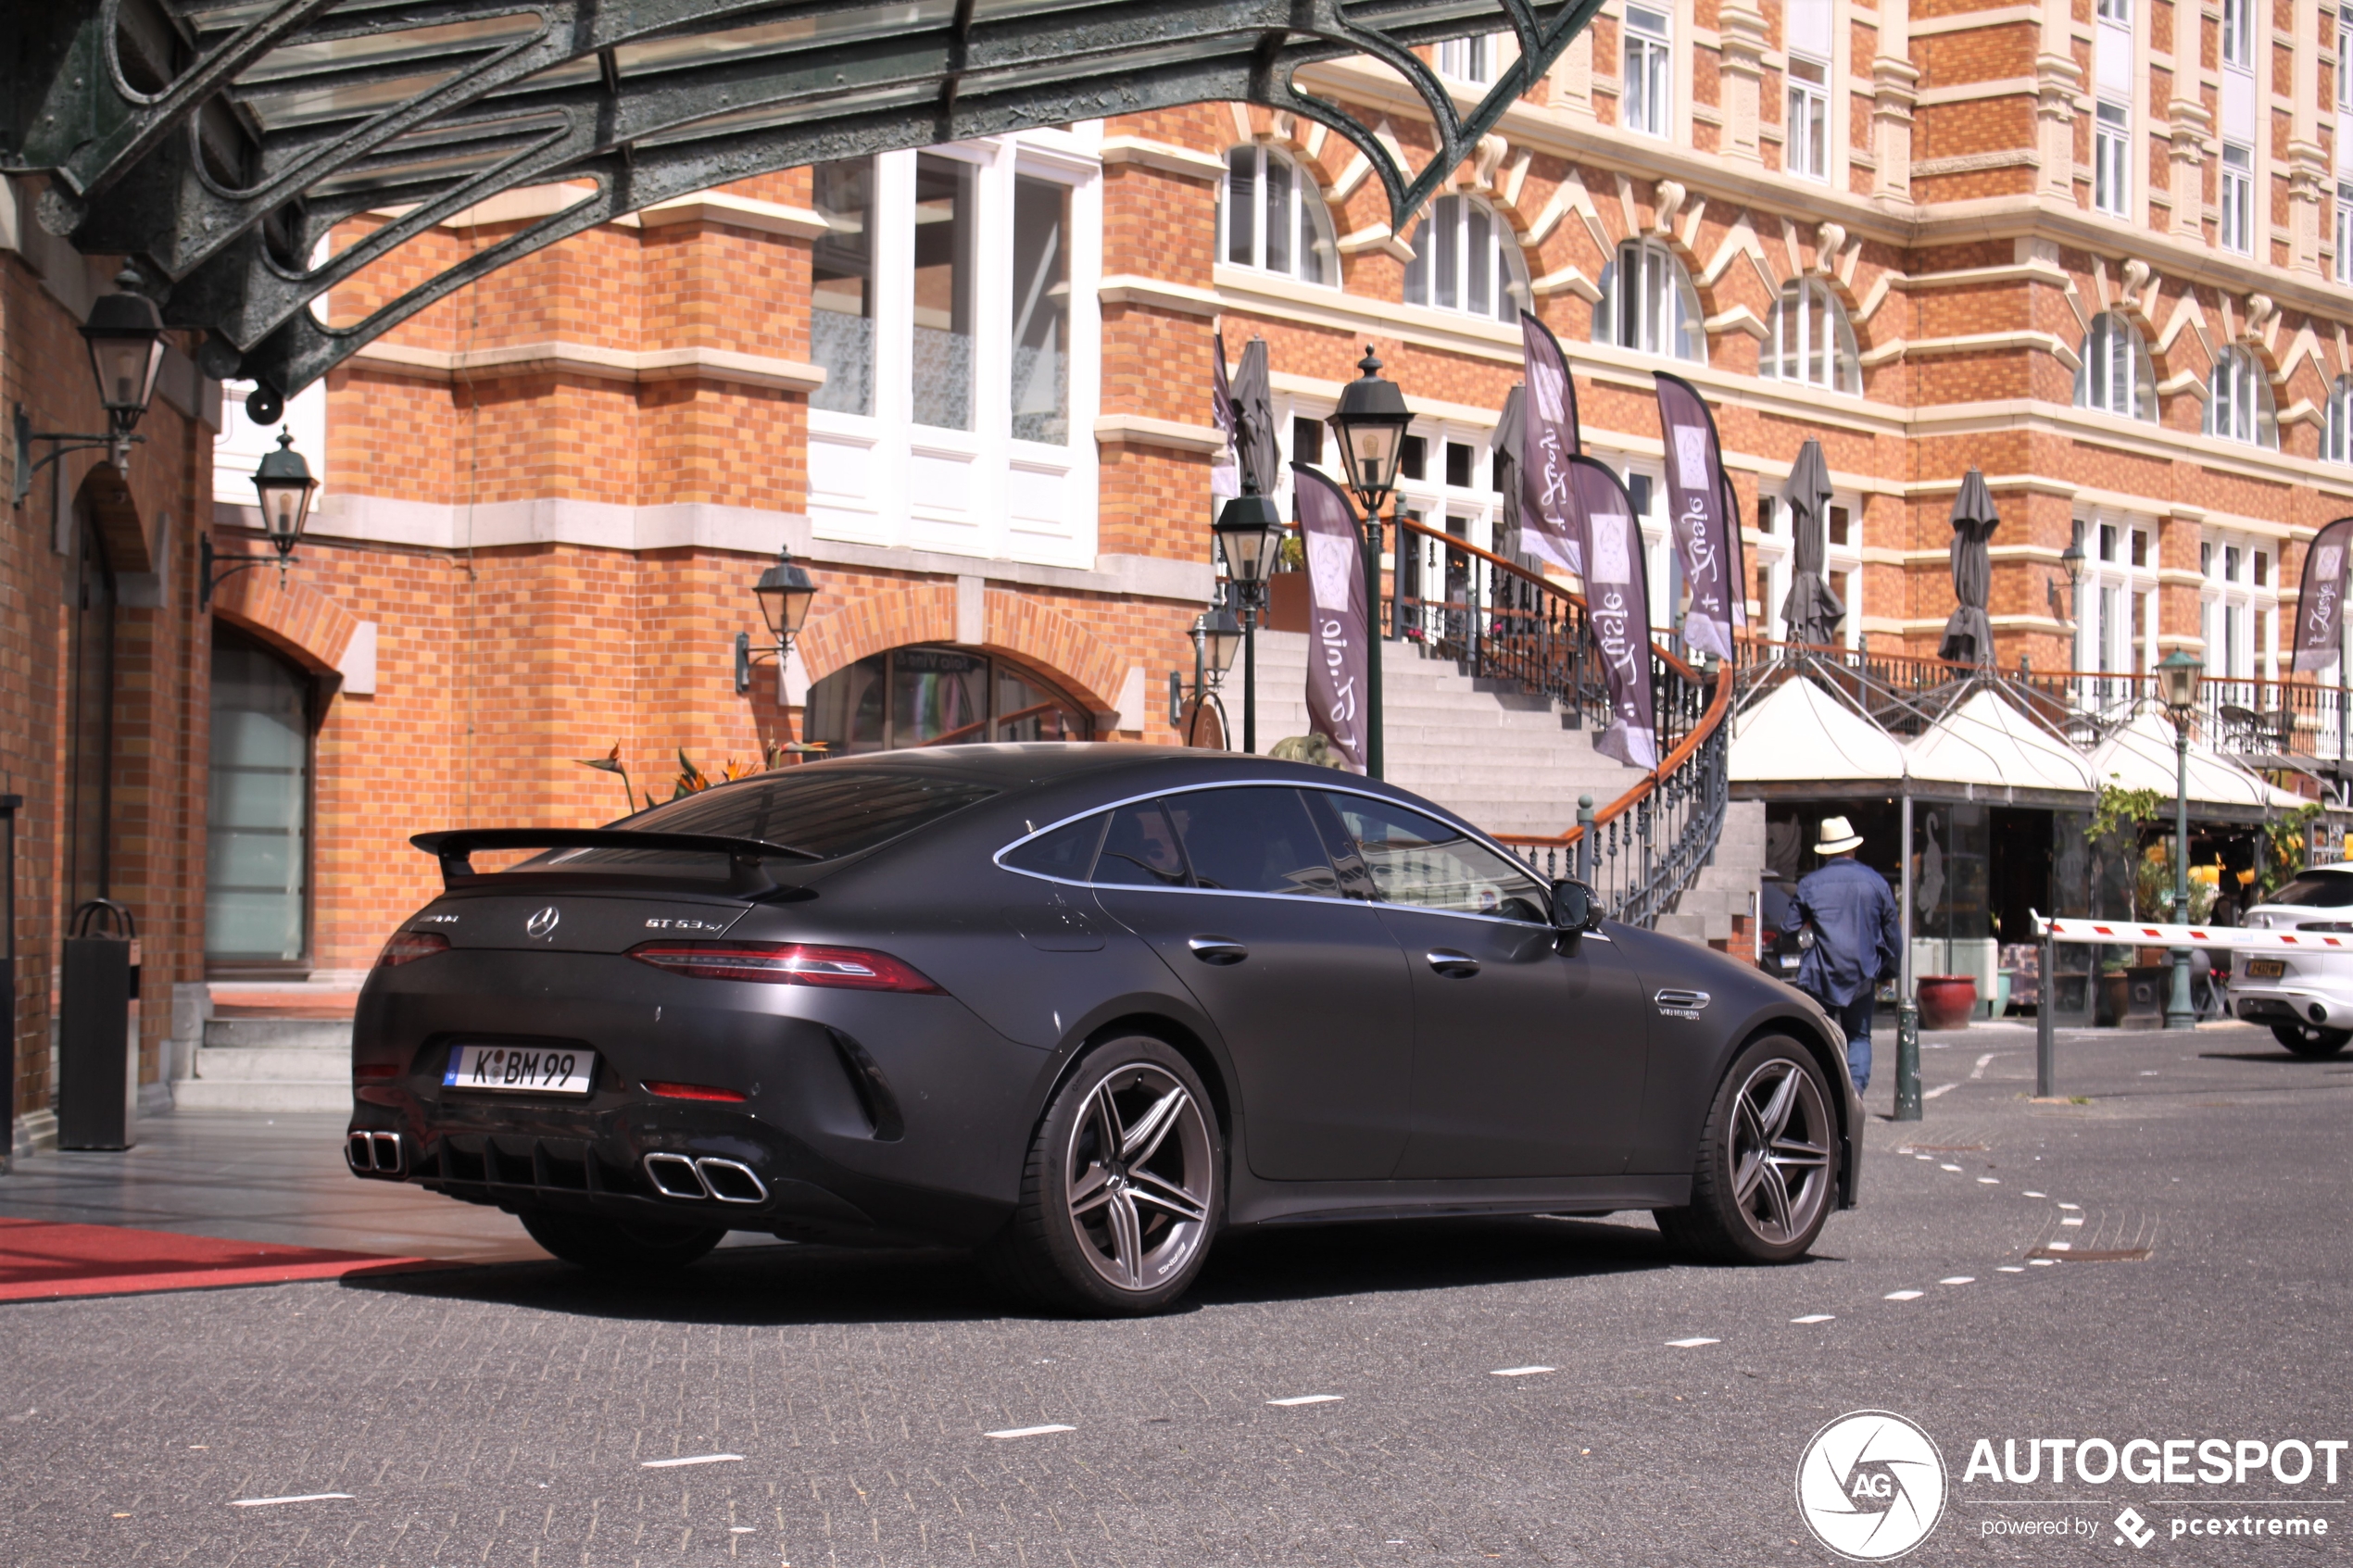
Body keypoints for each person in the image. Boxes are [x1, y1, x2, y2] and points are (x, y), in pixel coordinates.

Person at [1780, 815, 1901, 1092]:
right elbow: (1893, 935)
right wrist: (1888, 970)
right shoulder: (1875, 882)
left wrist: (1806, 938)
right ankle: (1855, 1093)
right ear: (1853, 849)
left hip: (1820, 975)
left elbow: (1789, 928)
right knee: (1858, 1037)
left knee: (1817, 1036)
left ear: (1825, 854)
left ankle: (1817, 1094)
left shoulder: (1810, 884)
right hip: (1862, 974)